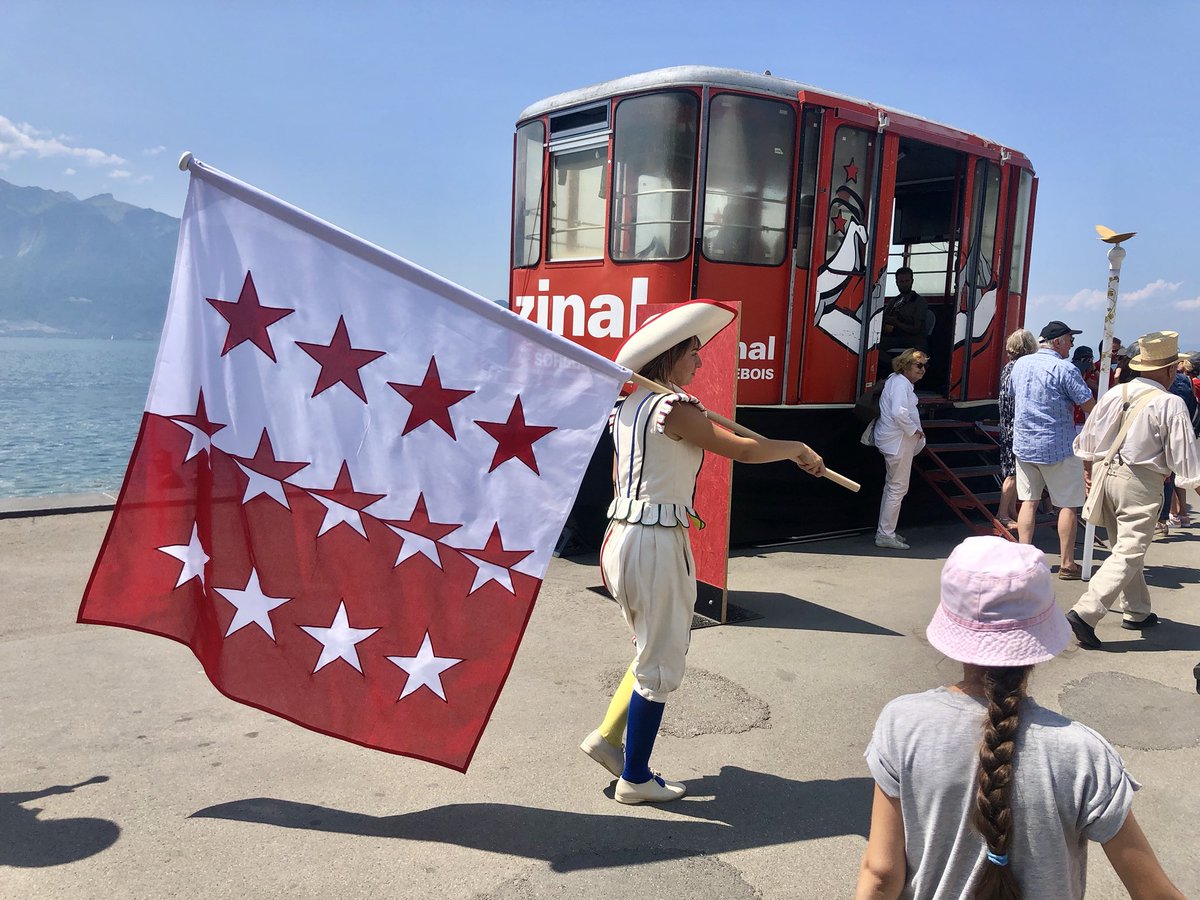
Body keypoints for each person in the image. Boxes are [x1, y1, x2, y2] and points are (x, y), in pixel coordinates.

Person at [580, 300, 825, 804]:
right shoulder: (674, 408)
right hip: (653, 542)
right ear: (670, 357)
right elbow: (743, 449)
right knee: (661, 661)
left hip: (622, 538)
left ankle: (607, 739)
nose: (700, 361)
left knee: (651, 648)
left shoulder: (628, 406)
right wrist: (797, 447)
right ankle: (636, 778)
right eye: (693, 352)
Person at [856, 536, 1184, 900]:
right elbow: (1153, 892)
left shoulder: (902, 724)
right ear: (1041, 640)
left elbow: (882, 873)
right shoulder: (1082, 753)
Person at [1066, 331, 1200, 649]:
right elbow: (1186, 461)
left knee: (1123, 548)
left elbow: (1088, 438)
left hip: (1105, 474)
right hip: (1140, 482)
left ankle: (1137, 611)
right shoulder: (1170, 403)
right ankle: (1086, 611)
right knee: (1130, 550)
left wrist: (1088, 472)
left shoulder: (1117, 392)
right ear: (1169, 370)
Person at [1007, 320, 1096, 579]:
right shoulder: (1065, 369)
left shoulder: (1019, 365)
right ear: (1057, 341)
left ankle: (1025, 557)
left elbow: (1015, 395)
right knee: (1067, 504)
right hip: (1058, 444)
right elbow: (1089, 405)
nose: (1071, 344)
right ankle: (1067, 563)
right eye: (1070, 339)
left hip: (1024, 443)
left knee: (1028, 501)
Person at [873, 348, 928, 550]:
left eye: (924, 365)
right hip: (898, 441)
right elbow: (899, 412)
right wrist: (914, 431)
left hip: (895, 440)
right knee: (897, 488)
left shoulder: (897, 382)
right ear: (906, 365)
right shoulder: (900, 384)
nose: (923, 369)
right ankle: (885, 534)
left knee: (893, 487)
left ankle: (887, 531)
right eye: (918, 365)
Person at [996, 329, 1038, 529]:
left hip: (1006, 424)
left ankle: (1011, 510)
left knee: (1011, 471)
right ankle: (1002, 513)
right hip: (1016, 425)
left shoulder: (1008, 367)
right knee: (1013, 473)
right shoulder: (1021, 368)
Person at [878, 267, 929, 357]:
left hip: (914, 341)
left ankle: (895, 365)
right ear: (896, 282)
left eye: (907, 281)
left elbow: (916, 329)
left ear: (912, 281)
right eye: (901, 282)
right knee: (872, 345)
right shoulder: (894, 301)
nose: (904, 284)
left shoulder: (919, 302)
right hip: (894, 338)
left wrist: (896, 323)